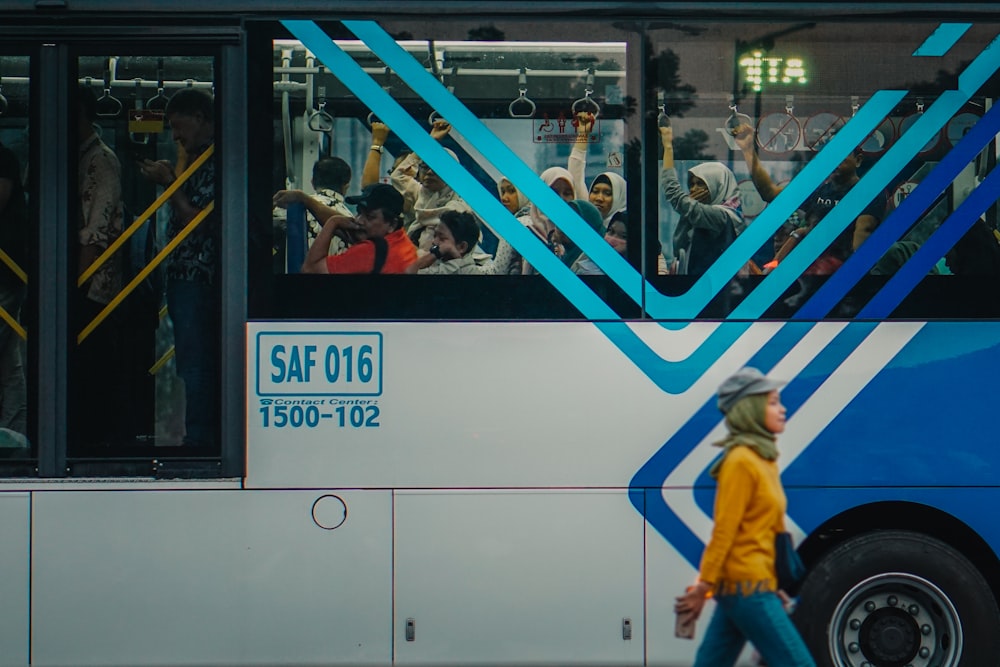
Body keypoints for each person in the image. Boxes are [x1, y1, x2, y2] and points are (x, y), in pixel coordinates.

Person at [675, 367, 815, 667]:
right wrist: (703, 587)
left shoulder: (762, 459)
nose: (783, 408)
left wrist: (773, 582)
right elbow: (725, 531)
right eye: (773, 401)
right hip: (748, 590)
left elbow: (763, 534)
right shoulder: (739, 462)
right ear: (750, 408)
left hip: (748, 587)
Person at [138, 88, 219, 448]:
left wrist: (170, 183)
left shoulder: (217, 162)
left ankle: (200, 439)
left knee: (197, 360)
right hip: (183, 275)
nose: (175, 136)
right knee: (191, 359)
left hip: (198, 275)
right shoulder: (195, 157)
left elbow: (198, 224)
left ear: (200, 118)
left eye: (178, 126)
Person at [732, 124, 885, 274]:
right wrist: (748, 150)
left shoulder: (867, 193)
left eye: (842, 154)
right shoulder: (818, 191)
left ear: (858, 160)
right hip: (810, 276)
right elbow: (769, 193)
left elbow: (861, 241)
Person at [75, 85, 126, 447]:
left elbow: (97, 229)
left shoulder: (101, 160)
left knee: (91, 366)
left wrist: (79, 283)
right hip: (78, 278)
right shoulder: (71, 156)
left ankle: (94, 437)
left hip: (93, 284)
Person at [660, 126, 743, 275]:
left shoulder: (722, 216)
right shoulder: (700, 216)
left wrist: (668, 147)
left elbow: (674, 194)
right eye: (691, 184)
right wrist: (689, 210)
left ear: (718, 185)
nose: (693, 189)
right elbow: (678, 247)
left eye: (700, 184)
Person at [301, 183, 417, 274]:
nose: (359, 220)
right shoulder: (401, 240)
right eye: (359, 213)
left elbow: (310, 269)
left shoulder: (369, 252)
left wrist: (332, 223)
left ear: (391, 224)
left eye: (370, 217)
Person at [0, 136, 27, 441]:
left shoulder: (4, 158)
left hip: (5, 270)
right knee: (10, 360)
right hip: (9, 269)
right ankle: (13, 432)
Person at [569, 113, 628, 226]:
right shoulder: (586, 220)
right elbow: (575, 173)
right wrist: (583, 134)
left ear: (619, 199)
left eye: (608, 193)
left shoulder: (627, 229)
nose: (599, 198)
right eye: (595, 192)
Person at [405, 210, 483, 275]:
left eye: (442, 238)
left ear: (462, 247)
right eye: (435, 235)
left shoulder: (466, 272)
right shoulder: (440, 258)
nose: (434, 242)